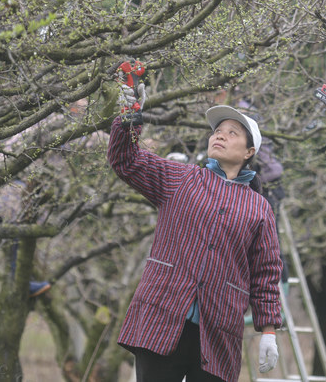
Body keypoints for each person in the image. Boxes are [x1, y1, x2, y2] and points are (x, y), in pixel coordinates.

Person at [107, 86, 283, 382]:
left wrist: (268, 331)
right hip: (162, 315)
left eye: (232, 133)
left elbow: (265, 273)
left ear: (249, 152)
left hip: (219, 330)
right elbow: (126, 160)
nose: (220, 135)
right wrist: (128, 116)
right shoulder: (180, 178)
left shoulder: (260, 208)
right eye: (217, 131)